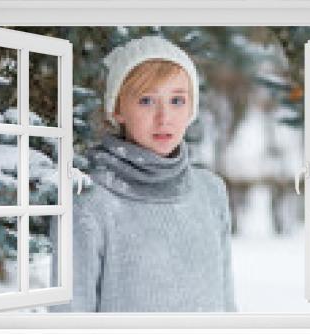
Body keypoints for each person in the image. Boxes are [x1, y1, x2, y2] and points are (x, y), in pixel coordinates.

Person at [50, 35, 236, 312]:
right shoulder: (88, 200)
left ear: (191, 110)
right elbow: (70, 315)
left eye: (177, 100)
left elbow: (226, 304)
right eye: (146, 101)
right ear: (117, 108)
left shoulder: (211, 191)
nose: (164, 117)